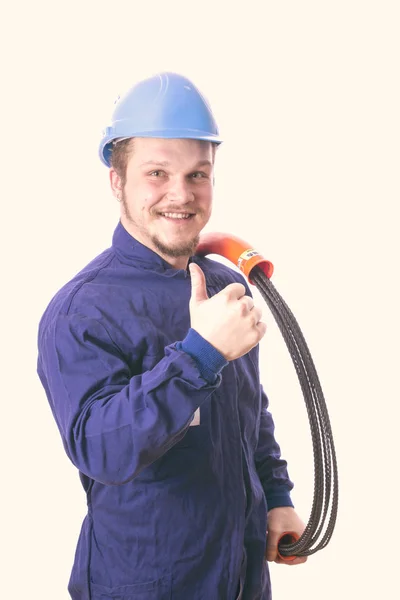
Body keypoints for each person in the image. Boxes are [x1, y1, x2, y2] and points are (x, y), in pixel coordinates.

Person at [37, 72, 306, 600]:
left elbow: (250, 411)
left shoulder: (226, 287)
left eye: (198, 174)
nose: (180, 195)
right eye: (156, 173)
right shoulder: (81, 312)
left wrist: (276, 496)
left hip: (240, 576)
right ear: (118, 181)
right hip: (145, 583)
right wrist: (200, 354)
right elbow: (101, 449)